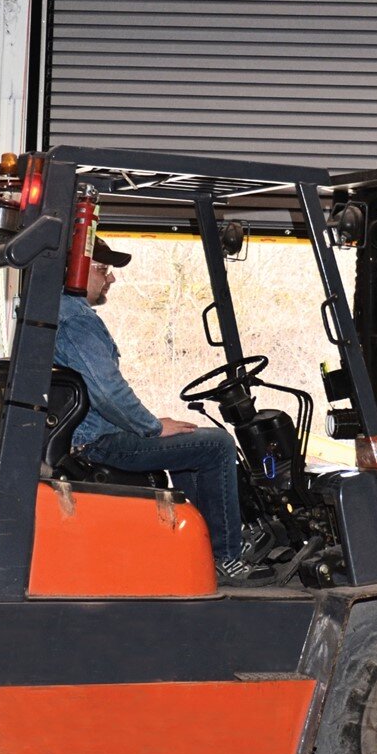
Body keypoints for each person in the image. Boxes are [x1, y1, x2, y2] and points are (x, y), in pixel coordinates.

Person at [53, 237, 273, 587]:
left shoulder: (52, 314)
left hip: (86, 435)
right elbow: (108, 392)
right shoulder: (76, 321)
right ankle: (225, 556)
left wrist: (154, 425)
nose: (110, 279)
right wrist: (152, 428)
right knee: (217, 444)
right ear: (75, 271)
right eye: (103, 270)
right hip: (98, 442)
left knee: (190, 441)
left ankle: (196, 545)